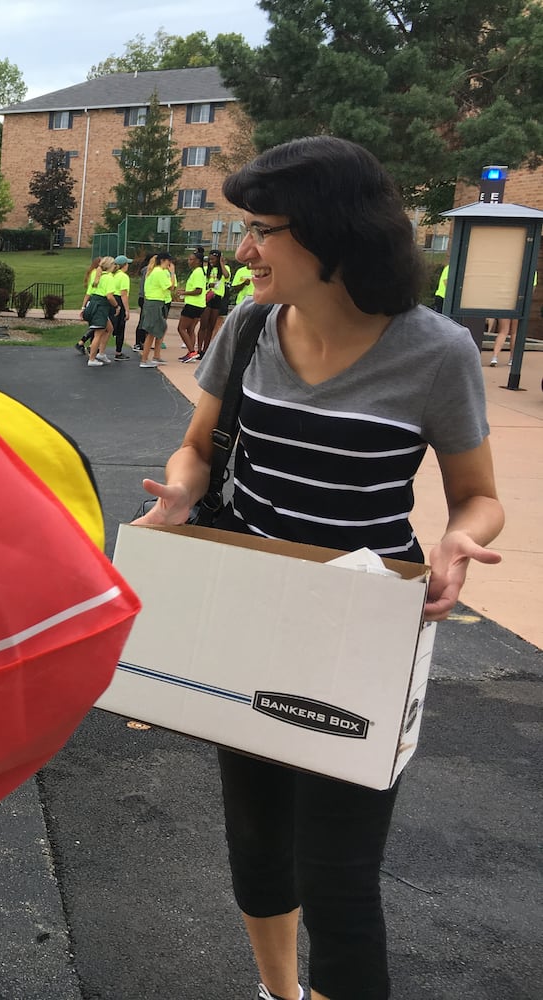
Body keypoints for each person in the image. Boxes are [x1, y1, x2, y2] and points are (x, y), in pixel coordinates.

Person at [135, 136, 503, 1000]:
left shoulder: (434, 352)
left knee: (339, 874)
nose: (244, 249)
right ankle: (279, 993)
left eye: (263, 229)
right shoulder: (249, 326)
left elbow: (477, 496)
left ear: (335, 234)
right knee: (258, 847)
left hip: (364, 630)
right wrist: (180, 494)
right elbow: (197, 447)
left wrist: (457, 540)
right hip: (252, 612)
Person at [138, 252, 174, 368]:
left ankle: (155, 356)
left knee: (160, 328)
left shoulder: (154, 271)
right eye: (169, 261)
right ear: (163, 260)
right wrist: (172, 273)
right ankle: (144, 359)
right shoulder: (159, 272)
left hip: (156, 302)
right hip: (155, 302)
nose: (170, 263)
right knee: (152, 331)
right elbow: (171, 286)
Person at [197, 248, 231, 355]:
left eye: (213, 259)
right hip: (207, 297)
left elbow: (226, 276)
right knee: (204, 324)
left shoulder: (225, 268)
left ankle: (205, 350)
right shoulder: (206, 269)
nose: (211, 261)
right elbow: (202, 284)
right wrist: (209, 285)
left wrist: (221, 263)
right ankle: (199, 348)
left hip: (217, 297)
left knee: (211, 325)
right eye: (210, 259)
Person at [177, 246, 207, 362]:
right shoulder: (197, 272)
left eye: (191, 259)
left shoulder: (198, 272)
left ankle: (191, 352)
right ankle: (191, 354)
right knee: (190, 329)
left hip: (193, 305)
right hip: (198, 305)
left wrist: (185, 293)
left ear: (198, 261)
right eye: (189, 259)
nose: (189, 261)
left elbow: (198, 290)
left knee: (181, 328)